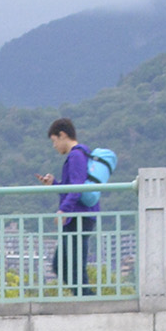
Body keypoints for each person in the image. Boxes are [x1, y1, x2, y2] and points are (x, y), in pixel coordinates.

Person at [35, 117, 99, 295]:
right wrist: (55, 184)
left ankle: (88, 301)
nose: (54, 146)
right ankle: (85, 298)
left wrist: (64, 210)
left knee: (72, 266)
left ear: (63, 135)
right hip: (77, 216)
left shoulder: (76, 155)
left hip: (78, 217)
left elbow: (76, 188)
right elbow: (72, 187)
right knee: (64, 264)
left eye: (54, 141)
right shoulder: (80, 155)